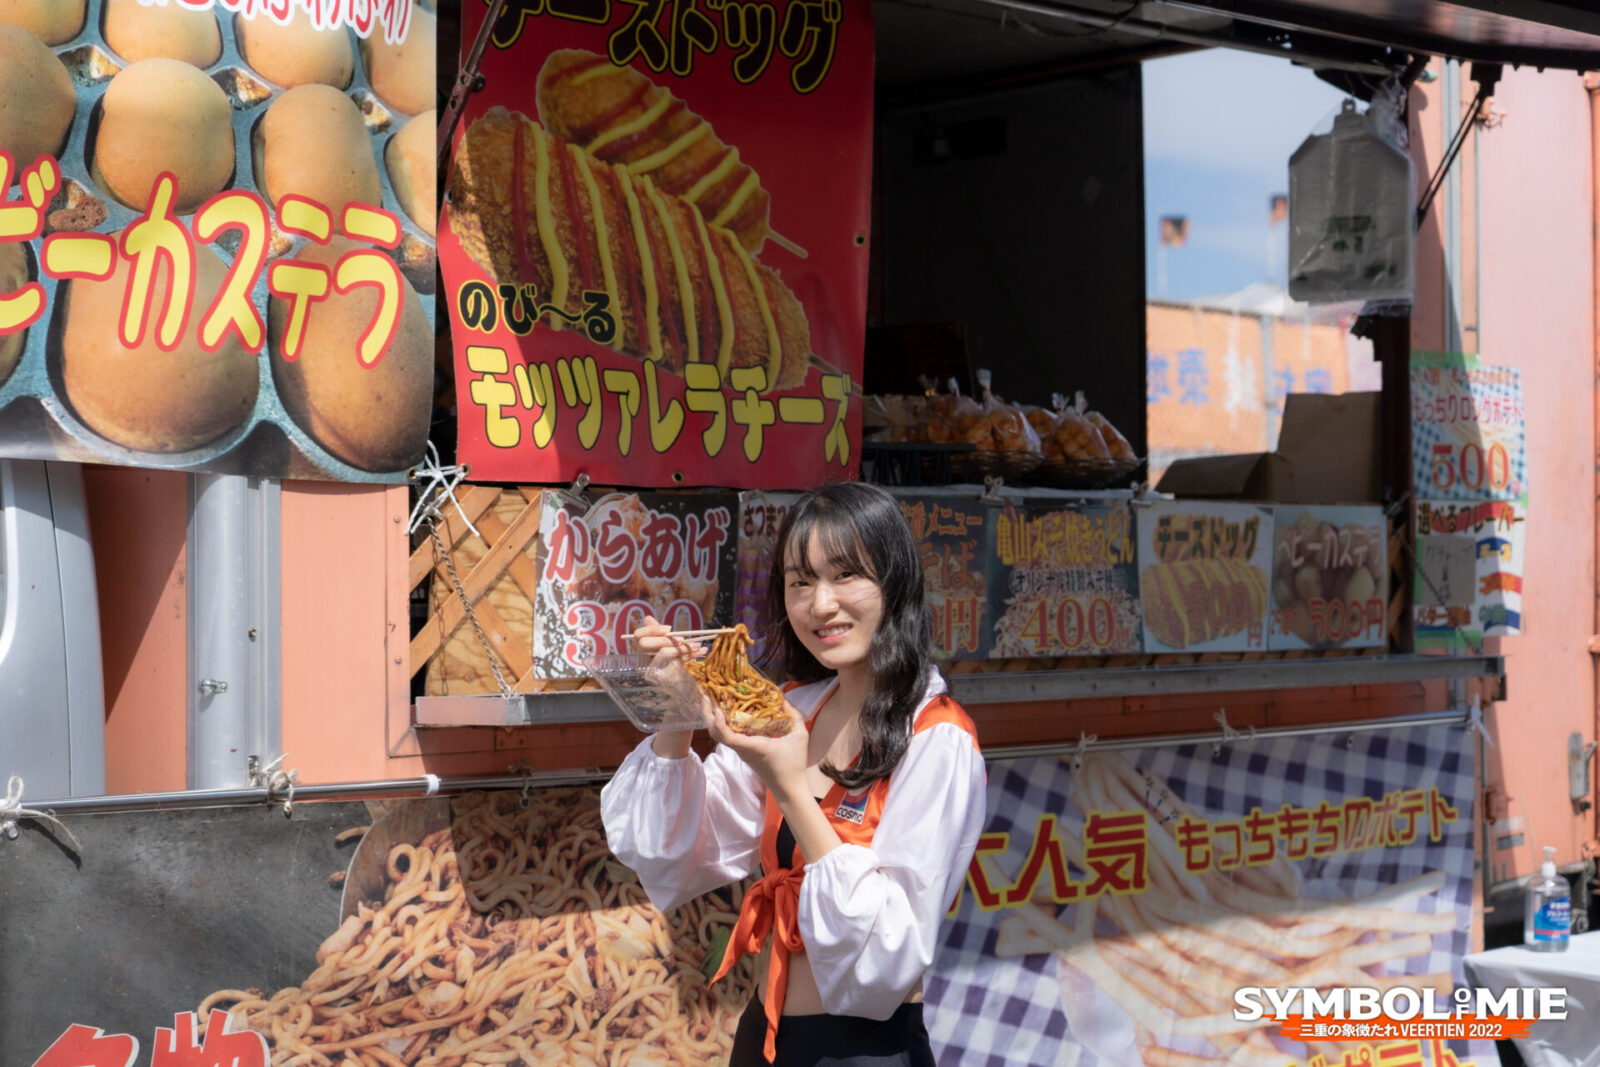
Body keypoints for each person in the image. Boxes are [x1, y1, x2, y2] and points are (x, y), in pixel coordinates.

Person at [600, 482, 987, 1067]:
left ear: (895, 581)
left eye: (846, 575)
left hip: (864, 1051)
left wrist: (788, 785)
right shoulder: (793, 708)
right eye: (800, 582)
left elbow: (889, 951)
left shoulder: (937, 736)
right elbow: (676, 851)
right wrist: (678, 709)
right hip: (764, 1036)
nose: (821, 604)